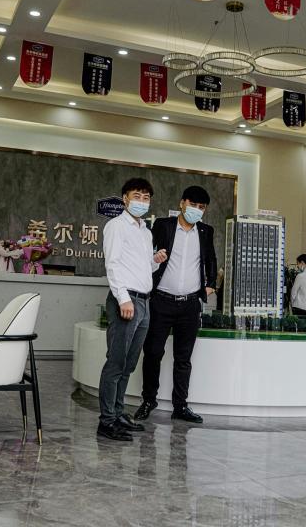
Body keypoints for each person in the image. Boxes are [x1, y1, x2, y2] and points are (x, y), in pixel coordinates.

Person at [134, 185, 217, 425]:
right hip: (161, 300)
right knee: (153, 353)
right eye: (193, 205)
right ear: (182, 203)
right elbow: (146, 255)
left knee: (184, 358)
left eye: (201, 208)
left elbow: (211, 258)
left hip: (190, 304)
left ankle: (180, 405)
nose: (196, 210)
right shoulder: (163, 225)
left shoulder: (205, 231)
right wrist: (153, 260)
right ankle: (149, 400)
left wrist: (210, 285)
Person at [97, 178, 168, 441]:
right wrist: (123, 299)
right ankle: (106, 421)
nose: (142, 201)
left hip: (144, 301)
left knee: (128, 364)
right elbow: (113, 265)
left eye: (146, 197)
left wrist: (155, 261)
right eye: (137, 195)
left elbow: (142, 267)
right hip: (125, 301)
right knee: (115, 362)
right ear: (125, 198)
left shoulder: (145, 231)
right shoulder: (116, 226)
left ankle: (117, 413)